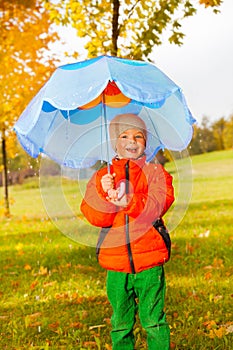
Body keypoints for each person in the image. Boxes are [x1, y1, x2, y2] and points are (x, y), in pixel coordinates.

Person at [81, 113, 175, 349]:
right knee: (120, 323)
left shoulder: (155, 174)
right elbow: (95, 216)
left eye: (138, 136)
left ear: (146, 143)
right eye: (124, 136)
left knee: (153, 320)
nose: (131, 141)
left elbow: (157, 206)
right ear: (115, 142)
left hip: (149, 262)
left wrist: (129, 202)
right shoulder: (103, 177)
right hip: (115, 264)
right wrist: (105, 195)